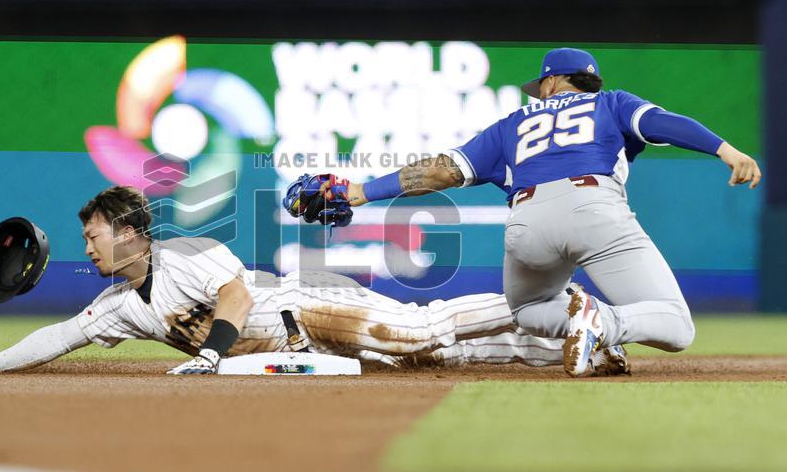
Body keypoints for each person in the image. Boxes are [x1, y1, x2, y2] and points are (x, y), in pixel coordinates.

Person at [309, 47, 761, 377]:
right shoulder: (611, 102)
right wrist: (724, 149)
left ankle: (585, 321)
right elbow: (662, 123)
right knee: (676, 326)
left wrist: (360, 191)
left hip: (526, 222)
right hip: (594, 209)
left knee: (528, 310)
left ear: (551, 82)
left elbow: (441, 171)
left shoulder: (513, 124)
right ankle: (604, 322)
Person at [0, 186, 622, 376]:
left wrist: (211, 354)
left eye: (94, 234)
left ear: (128, 232)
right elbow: (59, 336)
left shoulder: (185, 253)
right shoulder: (120, 305)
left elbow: (235, 297)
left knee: (420, 331)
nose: (87, 246)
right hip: (300, 351)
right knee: (437, 358)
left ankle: (560, 301)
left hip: (308, 308)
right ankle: (577, 347)